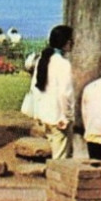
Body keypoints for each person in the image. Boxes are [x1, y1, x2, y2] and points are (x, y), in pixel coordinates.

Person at [22, 24, 74, 160]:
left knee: (54, 153)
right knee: (60, 158)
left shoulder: (42, 59)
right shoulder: (63, 64)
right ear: (67, 42)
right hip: (58, 116)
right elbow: (65, 93)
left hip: (44, 114)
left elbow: (36, 86)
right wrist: (66, 116)